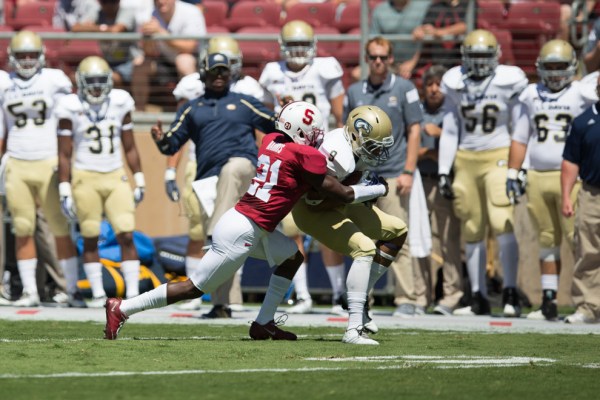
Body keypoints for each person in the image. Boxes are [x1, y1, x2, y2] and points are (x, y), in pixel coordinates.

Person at [104, 101, 389, 341]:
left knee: (291, 259)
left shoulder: (272, 141)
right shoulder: (304, 156)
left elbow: (288, 144)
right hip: (243, 229)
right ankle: (123, 308)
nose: (318, 137)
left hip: (250, 223)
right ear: (300, 132)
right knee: (193, 288)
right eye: (313, 133)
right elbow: (340, 192)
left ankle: (263, 323)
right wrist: (377, 188)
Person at [166, 36, 270, 314]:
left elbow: (272, 125)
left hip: (242, 171)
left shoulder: (245, 98)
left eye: (225, 70)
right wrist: (163, 154)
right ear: (204, 72)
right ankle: (222, 302)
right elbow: (172, 141)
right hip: (206, 179)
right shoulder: (192, 103)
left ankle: (215, 238)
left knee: (223, 228)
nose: (220, 76)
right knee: (227, 242)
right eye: (215, 71)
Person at [292, 105, 407, 345]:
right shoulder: (337, 156)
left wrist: (363, 189)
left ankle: (357, 296)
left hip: (341, 201)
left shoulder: (354, 149)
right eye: (373, 146)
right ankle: (353, 329)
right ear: (356, 135)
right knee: (364, 248)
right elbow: (316, 201)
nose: (377, 153)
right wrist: (373, 189)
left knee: (397, 230)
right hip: (312, 209)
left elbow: (348, 191)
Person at [260, 19, 348, 315]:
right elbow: (263, 119)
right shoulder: (272, 73)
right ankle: (302, 295)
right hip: (288, 157)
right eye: (293, 46)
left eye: (302, 46)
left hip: (320, 154)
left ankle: (339, 295)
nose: (298, 52)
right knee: (291, 227)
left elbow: (340, 116)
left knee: (327, 223)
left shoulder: (325, 69)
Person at [438, 29, 528, 317]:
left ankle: (511, 290)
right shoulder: (455, 81)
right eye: (473, 56)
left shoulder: (508, 80)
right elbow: (451, 129)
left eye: (483, 56)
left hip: (498, 155)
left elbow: (521, 128)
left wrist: (518, 168)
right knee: (472, 228)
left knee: (502, 220)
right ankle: (477, 295)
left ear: (496, 56)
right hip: (466, 158)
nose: (478, 62)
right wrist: (443, 169)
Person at [508, 39, 597, 321]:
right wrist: (513, 171)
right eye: (550, 67)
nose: (556, 73)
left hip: (571, 179)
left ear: (572, 67)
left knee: (579, 242)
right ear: (540, 68)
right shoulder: (531, 94)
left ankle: (588, 302)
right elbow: (521, 137)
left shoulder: (582, 93)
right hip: (536, 175)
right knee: (546, 241)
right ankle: (549, 301)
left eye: (561, 66)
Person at [55, 56, 146, 307]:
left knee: (126, 234)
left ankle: (134, 293)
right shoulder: (69, 106)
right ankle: (97, 294)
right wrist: (64, 186)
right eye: (91, 81)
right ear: (81, 83)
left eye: (100, 81)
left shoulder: (119, 102)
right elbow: (64, 152)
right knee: (90, 236)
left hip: (115, 174)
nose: (96, 87)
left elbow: (129, 146)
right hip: (85, 176)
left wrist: (139, 177)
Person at [0, 31, 81, 308]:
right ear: (12, 57)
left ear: (41, 56)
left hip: (48, 161)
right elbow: (2, 130)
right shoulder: (4, 83)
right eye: (21, 55)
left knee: (59, 228)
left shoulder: (53, 80)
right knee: (22, 228)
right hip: (17, 162)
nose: (26, 60)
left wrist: (67, 163)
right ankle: (30, 292)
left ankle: (71, 289)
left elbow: (66, 125)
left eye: (31, 55)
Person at [344, 36, 424, 318]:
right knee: (362, 239)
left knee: (397, 234)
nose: (378, 62)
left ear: (391, 60)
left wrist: (408, 170)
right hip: (363, 177)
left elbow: (415, 130)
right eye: (373, 57)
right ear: (367, 60)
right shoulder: (354, 91)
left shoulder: (404, 88)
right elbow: (347, 134)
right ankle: (361, 299)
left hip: (393, 174)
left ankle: (406, 297)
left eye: (383, 57)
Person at [413, 64, 463, 316]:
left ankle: (451, 295)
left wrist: (441, 135)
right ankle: (421, 295)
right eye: (429, 84)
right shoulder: (416, 111)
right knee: (419, 239)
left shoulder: (453, 110)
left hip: (446, 181)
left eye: (438, 84)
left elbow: (463, 141)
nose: (434, 89)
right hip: (420, 180)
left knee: (449, 240)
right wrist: (424, 153)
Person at [561, 73, 600, 324]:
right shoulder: (583, 121)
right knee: (587, 250)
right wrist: (566, 195)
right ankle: (588, 306)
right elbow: (570, 162)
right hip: (591, 192)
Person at [132, 0, 206, 110]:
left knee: (183, 60)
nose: (161, 2)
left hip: (192, 60)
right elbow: (149, 53)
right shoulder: (148, 14)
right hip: (164, 60)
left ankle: (192, 111)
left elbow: (190, 46)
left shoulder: (191, 11)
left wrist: (161, 32)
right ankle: (139, 113)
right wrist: (147, 38)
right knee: (139, 64)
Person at [68, 0, 142, 90]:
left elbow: (115, 31)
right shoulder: (97, 12)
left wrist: (92, 28)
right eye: (104, 2)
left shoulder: (126, 12)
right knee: (77, 78)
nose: (109, 5)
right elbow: (76, 27)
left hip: (129, 62)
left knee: (110, 79)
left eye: (113, 2)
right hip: (108, 62)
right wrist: (103, 28)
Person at [369, 0, 431, 79]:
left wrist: (412, 62)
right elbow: (374, 42)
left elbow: (431, 33)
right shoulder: (379, 10)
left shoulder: (425, 6)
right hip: (386, 64)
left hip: (418, 64)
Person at [411, 0, 468, 73]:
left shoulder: (468, 5)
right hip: (436, 64)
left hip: (459, 64)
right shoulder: (435, 7)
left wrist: (438, 32)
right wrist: (419, 31)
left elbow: (465, 26)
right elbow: (426, 27)